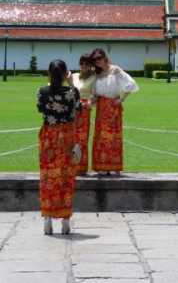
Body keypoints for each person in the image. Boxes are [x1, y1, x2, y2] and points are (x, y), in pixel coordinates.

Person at [37, 59, 80, 235]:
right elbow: (78, 110)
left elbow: (40, 109)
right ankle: (65, 221)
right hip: (66, 137)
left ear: (49, 73)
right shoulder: (71, 92)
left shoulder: (42, 91)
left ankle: (47, 219)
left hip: (48, 136)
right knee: (66, 177)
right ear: (65, 74)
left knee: (48, 177)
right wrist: (71, 84)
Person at [90, 49, 139, 175]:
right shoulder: (98, 74)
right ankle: (102, 166)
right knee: (101, 138)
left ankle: (113, 166)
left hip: (112, 108)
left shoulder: (115, 70)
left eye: (99, 58)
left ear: (105, 57)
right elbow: (94, 92)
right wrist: (93, 98)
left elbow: (130, 83)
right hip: (101, 109)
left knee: (113, 138)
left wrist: (122, 98)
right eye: (95, 60)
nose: (97, 61)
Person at [72, 54, 95, 175]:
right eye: (82, 63)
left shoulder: (94, 78)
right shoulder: (74, 76)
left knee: (82, 138)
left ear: (91, 65)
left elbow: (96, 95)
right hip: (72, 110)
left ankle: (81, 167)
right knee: (72, 137)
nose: (84, 66)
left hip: (85, 111)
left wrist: (89, 104)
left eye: (87, 64)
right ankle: (71, 166)